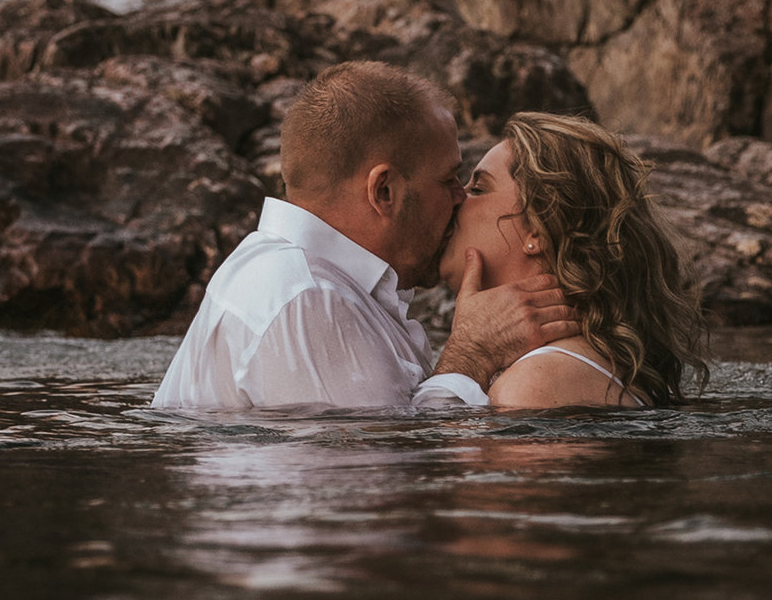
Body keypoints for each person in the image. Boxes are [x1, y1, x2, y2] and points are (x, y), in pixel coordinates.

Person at [151, 59, 574, 415]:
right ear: (384, 191)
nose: (459, 198)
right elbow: (382, 484)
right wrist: (472, 354)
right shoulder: (308, 299)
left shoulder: (317, 284)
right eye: (448, 180)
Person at [451, 112, 705, 410]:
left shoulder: (535, 384)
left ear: (539, 227)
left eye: (479, 189)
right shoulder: (577, 363)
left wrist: (466, 358)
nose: (457, 199)